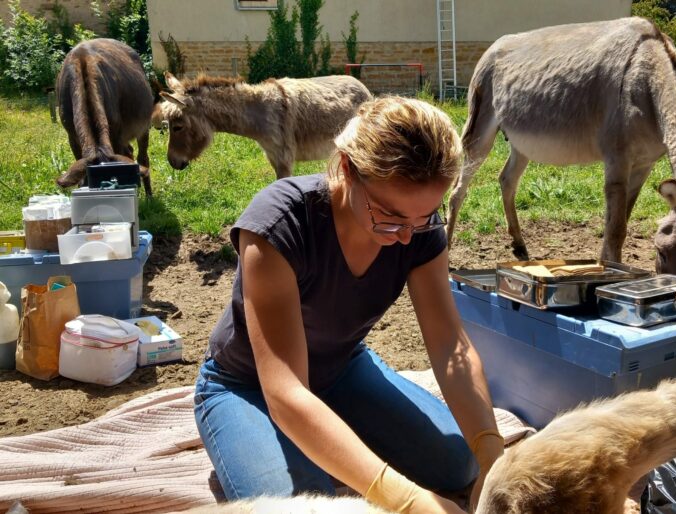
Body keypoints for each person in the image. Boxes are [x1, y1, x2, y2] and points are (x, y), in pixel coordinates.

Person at [194, 96, 504, 513]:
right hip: (245, 386)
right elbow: (285, 390)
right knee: (307, 500)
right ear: (346, 170)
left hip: (340, 370)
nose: (407, 237)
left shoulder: (417, 229)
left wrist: (490, 449)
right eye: (390, 217)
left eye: (424, 218)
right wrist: (402, 497)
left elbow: (450, 346)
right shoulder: (279, 224)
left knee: (458, 464)